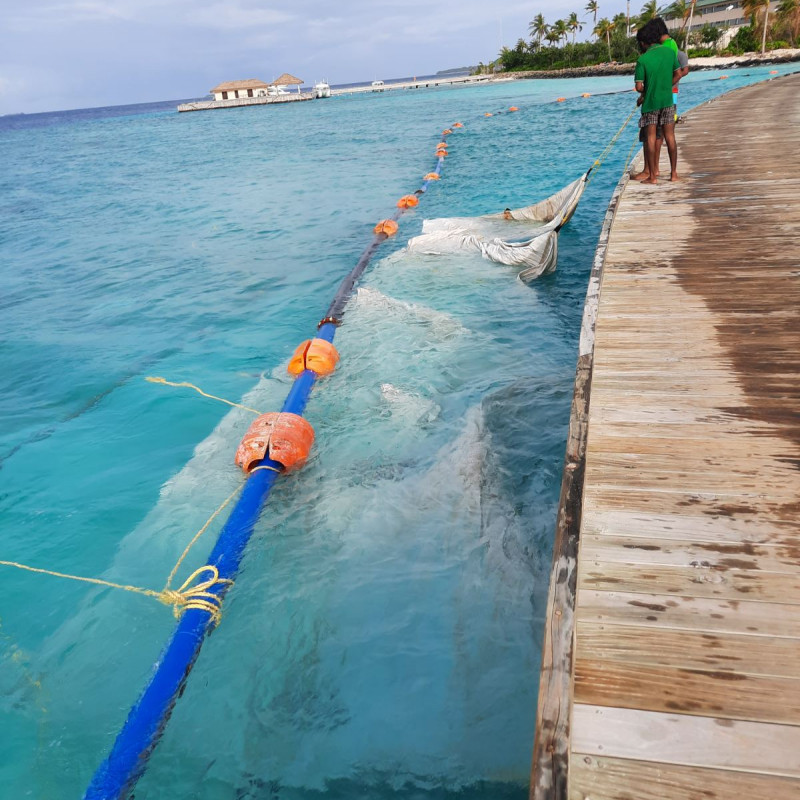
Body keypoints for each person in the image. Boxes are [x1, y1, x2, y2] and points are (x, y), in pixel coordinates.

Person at [632, 22, 682, 184]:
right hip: (668, 100)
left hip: (651, 104)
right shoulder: (669, 52)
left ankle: (652, 177)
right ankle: (674, 174)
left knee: (651, 137)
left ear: (642, 43)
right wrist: (665, 87)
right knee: (670, 136)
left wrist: (646, 91)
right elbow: (679, 73)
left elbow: (639, 86)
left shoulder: (643, 60)